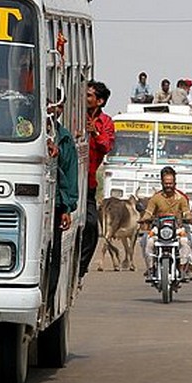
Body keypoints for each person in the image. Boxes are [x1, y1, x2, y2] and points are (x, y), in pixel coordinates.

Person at [79, 80, 115, 277]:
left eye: (89, 95)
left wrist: (96, 132)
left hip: (89, 184)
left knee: (92, 226)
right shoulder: (74, 115)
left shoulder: (106, 123)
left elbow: (107, 146)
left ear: (99, 101)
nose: (86, 98)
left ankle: (81, 269)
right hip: (70, 180)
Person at [46, 99, 78, 305]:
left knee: (53, 255)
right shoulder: (22, 127)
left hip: (56, 204)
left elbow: (69, 174)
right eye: (49, 105)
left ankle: (48, 302)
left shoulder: (64, 138)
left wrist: (67, 207)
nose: (53, 110)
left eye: (57, 107)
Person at [139, 166, 192, 279]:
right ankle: (150, 269)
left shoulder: (181, 198)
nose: (168, 185)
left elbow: (186, 212)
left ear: (175, 183)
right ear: (162, 183)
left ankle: (183, 269)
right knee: (146, 241)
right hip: (159, 229)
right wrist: (144, 219)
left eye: (171, 183)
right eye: (166, 183)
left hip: (177, 229)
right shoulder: (155, 198)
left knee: (187, 242)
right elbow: (149, 213)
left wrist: (189, 217)